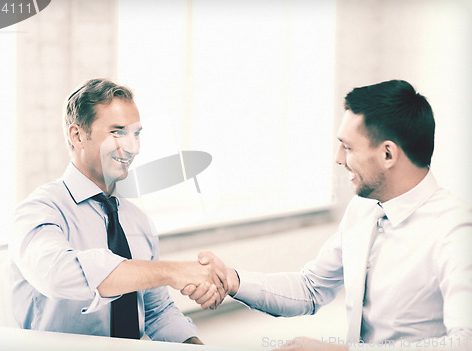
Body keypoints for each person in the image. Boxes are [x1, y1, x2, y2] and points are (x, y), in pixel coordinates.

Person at [183, 80, 472, 350]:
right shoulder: (364, 209)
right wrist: (233, 280)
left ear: (388, 155)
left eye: (347, 147)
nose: (338, 158)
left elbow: (464, 342)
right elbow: (310, 289)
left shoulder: (456, 231)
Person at [9, 78, 224, 344]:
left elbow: (156, 312)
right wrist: (173, 271)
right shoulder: (40, 210)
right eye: (117, 132)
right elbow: (56, 275)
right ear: (77, 135)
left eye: (136, 133)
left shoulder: (138, 221)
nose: (133, 148)